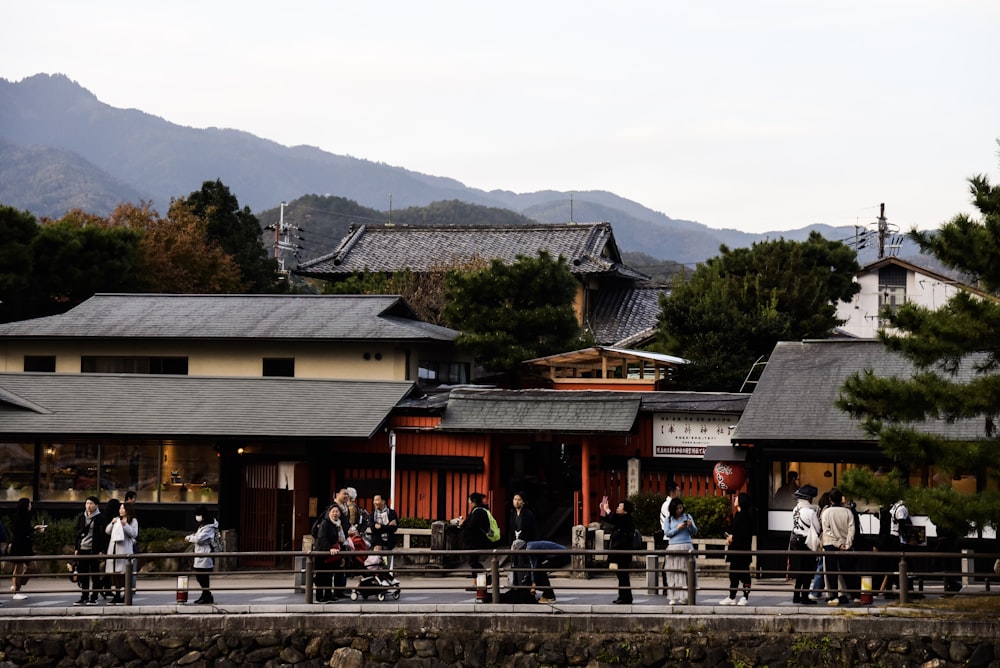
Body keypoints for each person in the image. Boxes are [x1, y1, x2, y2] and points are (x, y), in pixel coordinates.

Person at [820, 488, 855, 606]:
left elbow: (826, 530)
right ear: (841, 499)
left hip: (830, 544)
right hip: (845, 545)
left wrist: (837, 543)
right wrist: (847, 544)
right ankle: (854, 595)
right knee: (847, 571)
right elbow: (851, 529)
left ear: (830, 500)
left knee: (831, 572)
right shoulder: (848, 512)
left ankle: (833, 596)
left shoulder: (826, 512)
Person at [72, 495, 110, 605]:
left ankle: (94, 596)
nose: (89, 506)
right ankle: (84, 595)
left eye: (91, 504)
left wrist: (102, 550)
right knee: (83, 574)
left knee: (95, 573)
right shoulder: (82, 517)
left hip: (94, 549)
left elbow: (104, 535)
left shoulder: (100, 518)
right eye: (87, 503)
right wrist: (76, 548)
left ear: (96, 505)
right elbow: (77, 533)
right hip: (82, 548)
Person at [599, 497, 636, 604]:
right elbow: (607, 519)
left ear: (625, 510)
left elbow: (614, 519)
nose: (617, 508)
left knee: (623, 575)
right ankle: (623, 596)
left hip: (623, 552)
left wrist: (607, 510)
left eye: (619, 507)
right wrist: (603, 510)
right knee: (621, 576)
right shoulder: (620, 519)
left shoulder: (626, 519)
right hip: (618, 552)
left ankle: (626, 597)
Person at [720, 492, 753, 606]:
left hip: (742, 550)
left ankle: (744, 597)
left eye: (737, 498)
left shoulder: (746, 515)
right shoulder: (738, 514)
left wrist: (732, 537)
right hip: (735, 550)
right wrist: (729, 535)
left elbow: (744, 534)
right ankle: (732, 597)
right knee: (733, 574)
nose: (735, 499)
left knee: (744, 574)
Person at [510, 539, 568, 603]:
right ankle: (548, 594)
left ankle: (549, 596)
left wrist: (533, 585)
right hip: (561, 554)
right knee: (540, 570)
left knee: (540, 571)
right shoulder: (530, 546)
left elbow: (534, 567)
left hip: (562, 556)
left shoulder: (530, 550)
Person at [663, 497, 698, 605]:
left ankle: (686, 596)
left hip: (687, 546)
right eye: (677, 509)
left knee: (687, 573)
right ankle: (673, 596)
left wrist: (690, 526)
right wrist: (678, 528)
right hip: (673, 546)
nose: (679, 510)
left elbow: (695, 531)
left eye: (681, 508)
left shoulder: (687, 516)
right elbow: (667, 533)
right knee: (673, 573)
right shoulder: (668, 519)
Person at [789, 484, 820, 604]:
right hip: (807, 542)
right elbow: (817, 528)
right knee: (807, 570)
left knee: (800, 570)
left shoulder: (795, 509)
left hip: (797, 541)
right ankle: (805, 597)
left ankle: (796, 595)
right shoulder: (810, 512)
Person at [10, 498, 44, 600]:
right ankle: (17, 590)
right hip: (20, 546)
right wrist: (32, 531)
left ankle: (19, 584)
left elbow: (26, 530)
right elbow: (21, 532)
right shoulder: (19, 517)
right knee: (18, 568)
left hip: (26, 546)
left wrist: (34, 529)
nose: (31, 506)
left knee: (33, 566)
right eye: (29, 504)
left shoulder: (26, 516)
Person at [104, 501, 138, 605]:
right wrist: (112, 523)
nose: (121, 510)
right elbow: (107, 531)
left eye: (123, 508)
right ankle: (117, 594)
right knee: (115, 574)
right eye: (120, 508)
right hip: (114, 549)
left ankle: (125, 595)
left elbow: (134, 534)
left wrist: (125, 525)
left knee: (123, 574)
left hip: (124, 549)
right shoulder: (117, 519)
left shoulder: (133, 521)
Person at [184, 504, 218, 605]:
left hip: (205, 554)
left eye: (198, 515)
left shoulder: (209, 526)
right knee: (200, 576)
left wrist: (189, 538)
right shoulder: (204, 525)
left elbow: (199, 539)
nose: (197, 517)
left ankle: (207, 595)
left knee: (202, 576)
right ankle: (205, 594)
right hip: (200, 554)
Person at [459, 492, 494, 585]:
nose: (469, 503)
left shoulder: (478, 512)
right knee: (473, 562)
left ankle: (484, 578)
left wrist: (463, 524)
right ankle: (477, 582)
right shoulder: (478, 510)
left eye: (469, 501)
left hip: (475, 541)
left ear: (474, 501)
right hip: (474, 541)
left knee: (473, 562)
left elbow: (472, 526)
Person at [658, 480, 679, 593]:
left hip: (672, 536)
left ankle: (669, 586)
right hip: (669, 537)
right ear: (673, 491)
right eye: (678, 489)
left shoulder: (672, 503)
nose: (679, 491)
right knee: (668, 563)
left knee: (671, 562)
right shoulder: (667, 505)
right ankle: (666, 587)